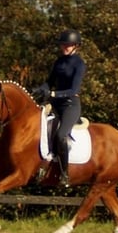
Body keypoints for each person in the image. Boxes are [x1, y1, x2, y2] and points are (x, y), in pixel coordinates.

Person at [31, 29, 86, 187]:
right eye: (63, 45)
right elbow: (49, 82)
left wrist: (53, 93)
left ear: (76, 45)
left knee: (61, 135)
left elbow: (73, 90)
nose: (64, 47)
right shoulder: (59, 62)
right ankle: (40, 167)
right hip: (54, 104)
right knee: (38, 130)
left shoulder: (79, 64)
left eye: (67, 45)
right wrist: (39, 89)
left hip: (70, 105)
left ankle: (65, 174)